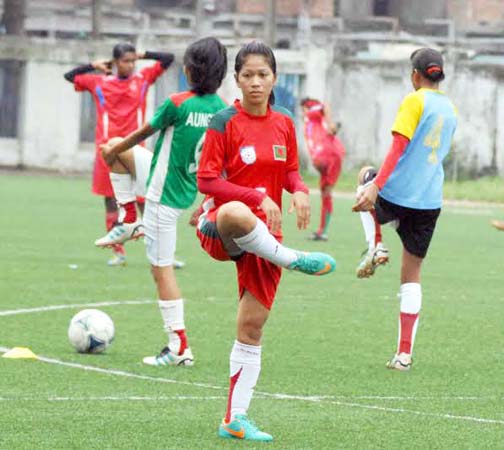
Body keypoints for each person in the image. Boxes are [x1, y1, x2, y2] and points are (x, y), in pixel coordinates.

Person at [196, 41, 336, 442]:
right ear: (236, 79)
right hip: (221, 226)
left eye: (263, 74)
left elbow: (291, 170)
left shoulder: (285, 121)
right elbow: (207, 181)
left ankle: (234, 419)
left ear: (274, 78)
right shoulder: (223, 121)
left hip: (266, 234)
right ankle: (291, 259)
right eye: (247, 75)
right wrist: (257, 196)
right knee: (233, 214)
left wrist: (301, 190)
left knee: (252, 327)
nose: (255, 83)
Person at [99, 37, 228, 366]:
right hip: (181, 187)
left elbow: (144, 132)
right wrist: (207, 202)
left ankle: (178, 346)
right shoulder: (221, 110)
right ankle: (129, 217)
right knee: (116, 147)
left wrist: (114, 151)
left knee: (162, 270)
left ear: (188, 71)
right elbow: (218, 161)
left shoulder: (177, 102)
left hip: (161, 197)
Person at [352, 48, 457, 371]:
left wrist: (376, 185)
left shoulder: (414, 100)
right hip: (429, 201)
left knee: (364, 176)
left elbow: (398, 146)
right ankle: (404, 354)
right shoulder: (450, 108)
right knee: (412, 276)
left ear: (415, 75)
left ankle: (376, 245)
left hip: (398, 193)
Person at [64, 42, 174, 266]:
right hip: (108, 150)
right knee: (112, 201)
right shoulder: (99, 82)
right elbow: (69, 76)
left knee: (147, 200)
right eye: (126, 60)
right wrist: (91, 65)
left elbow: (168, 58)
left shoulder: (142, 80)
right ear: (115, 62)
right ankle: (118, 252)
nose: (131, 64)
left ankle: (161, 254)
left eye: (133, 60)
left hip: (135, 149)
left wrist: (144, 53)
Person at [300, 98, 345, 241]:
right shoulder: (311, 122)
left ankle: (322, 231)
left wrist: (330, 123)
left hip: (329, 154)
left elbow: (325, 105)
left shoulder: (311, 110)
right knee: (325, 193)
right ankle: (322, 231)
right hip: (329, 154)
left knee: (326, 192)